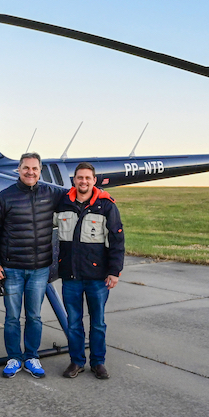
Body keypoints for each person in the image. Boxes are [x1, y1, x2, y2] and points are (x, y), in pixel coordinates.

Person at [0, 152, 65, 378]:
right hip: (11, 269)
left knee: (34, 316)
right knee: (12, 317)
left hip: (39, 269)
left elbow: (76, 196)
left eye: (35, 169)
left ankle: (31, 357)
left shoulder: (51, 193)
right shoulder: (6, 197)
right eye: (26, 168)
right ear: (18, 170)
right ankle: (14, 357)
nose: (30, 172)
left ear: (40, 171)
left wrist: (101, 198)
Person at [55, 162, 124, 379]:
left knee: (98, 322)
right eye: (79, 178)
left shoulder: (107, 206)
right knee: (74, 323)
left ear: (94, 181)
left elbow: (117, 240)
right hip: (71, 276)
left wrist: (114, 271)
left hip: (97, 277)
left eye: (87, 178)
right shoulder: (63, 203)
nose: (83, 181)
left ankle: (98, 362)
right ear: (74, 180)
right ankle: (76, 362)